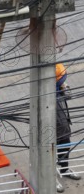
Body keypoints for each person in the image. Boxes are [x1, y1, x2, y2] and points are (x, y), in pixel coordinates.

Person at [56, 63, 81, 192]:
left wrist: (64, 87)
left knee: (65, 147)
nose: (63, 82)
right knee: (49, 154)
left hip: (64, 128)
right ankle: (50, 177)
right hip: (51, 132)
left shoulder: (59, 89)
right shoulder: (45, 94)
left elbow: (69, 96)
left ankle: (64, 169)